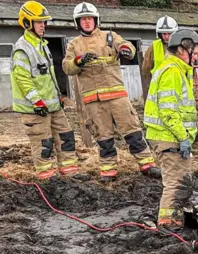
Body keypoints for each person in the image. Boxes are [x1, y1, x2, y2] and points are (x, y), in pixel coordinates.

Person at [62, 2, 161, 183]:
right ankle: (108, 172)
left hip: (117, 97)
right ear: (78, 23)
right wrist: (78, 61)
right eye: (82, 20)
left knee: (133, 131)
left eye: (89, 19)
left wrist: (126, 49)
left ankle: (147, 165)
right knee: (103, 137)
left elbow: (127, 47)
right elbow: (67, 67)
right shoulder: (74, 45)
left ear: (96, 20)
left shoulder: (110, 36)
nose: (86, 22)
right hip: (94, 101)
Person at [11, 1, 85, 180]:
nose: (43, 25)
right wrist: (37, 101)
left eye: (44, 22)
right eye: (39, 22)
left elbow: (47, 77)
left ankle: (70, 172)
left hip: (52, 105)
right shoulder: (22, 49)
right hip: (35, 109)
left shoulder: (42, 45)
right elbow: (23, 80)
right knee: (43, 143)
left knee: (66, 136)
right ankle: (47, 177)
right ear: (28, 23)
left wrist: (57, 96)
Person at [144, 29, 198, 229]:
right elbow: (168, 110)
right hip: (169, 137)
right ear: (183, 49)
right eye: (194, 53)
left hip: (172, 136)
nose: (196, 57)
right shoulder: (172, 71)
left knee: (182, 182)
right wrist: (182, 137)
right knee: (176, 183)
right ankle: (169, 225)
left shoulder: (178, 70)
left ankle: (177, 220)